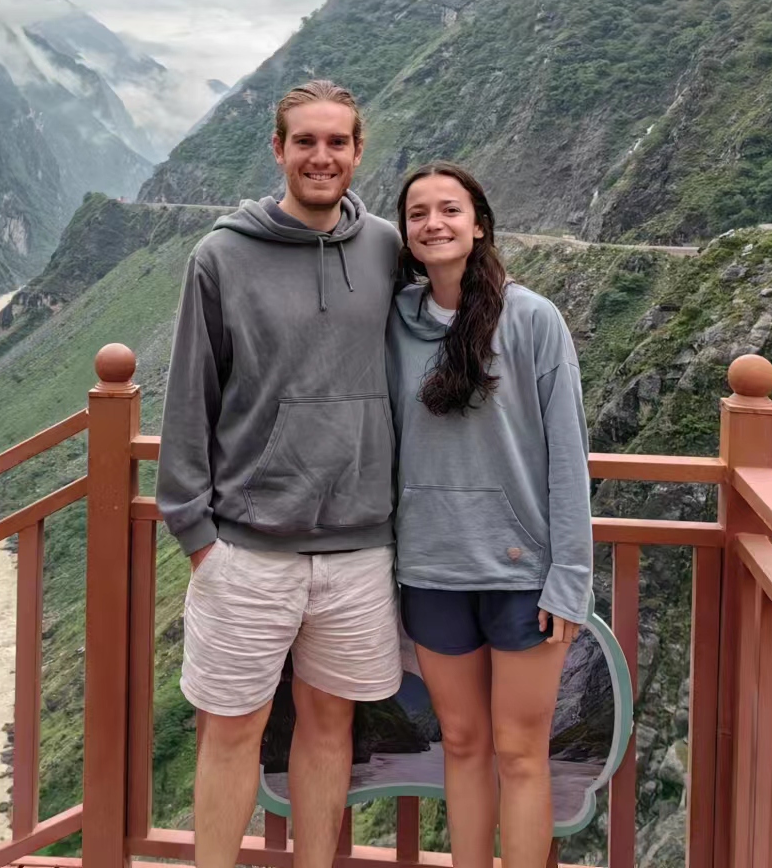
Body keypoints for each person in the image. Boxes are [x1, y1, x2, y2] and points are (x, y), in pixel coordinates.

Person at [157, 80, 403, 868]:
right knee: (232, 734)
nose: (321, 157)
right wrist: (199, 537)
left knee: (331, 730)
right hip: (247, 550)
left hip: (359, 547)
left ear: (358, 151)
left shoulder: (387, 248)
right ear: (278, 149)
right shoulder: (221, 256)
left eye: (337, 142)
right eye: (305, 141)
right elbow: (190, 395)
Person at [388, 162, 593, 868]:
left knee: (521, 753)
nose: (434, 224)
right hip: (431, 569)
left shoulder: (532, 319)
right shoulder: (396, 325)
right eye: (418, 213)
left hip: (522, 577)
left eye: (450, 209)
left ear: (479, 224)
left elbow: (568, 456)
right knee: (463, 743)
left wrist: (569, 577)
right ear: (405, 233)